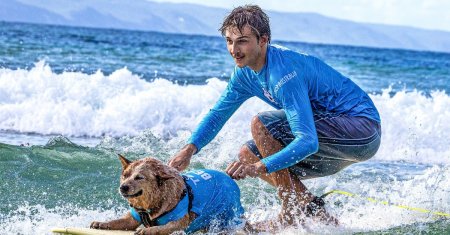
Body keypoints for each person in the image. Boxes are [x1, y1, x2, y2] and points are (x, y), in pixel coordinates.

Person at [168, 4, 381, 228]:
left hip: (361, 129)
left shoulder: (283, 73)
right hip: (343, 138)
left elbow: (307, 141)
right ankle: (313, 210)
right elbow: (218, 114)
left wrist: (261, 167)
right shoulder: (244, 74)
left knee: (262, 124)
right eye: (229, 41)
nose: (234, 49)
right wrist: (189, 149)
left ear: (263, 40)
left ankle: (290, 212)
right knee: (247, 154)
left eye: (242, 41)